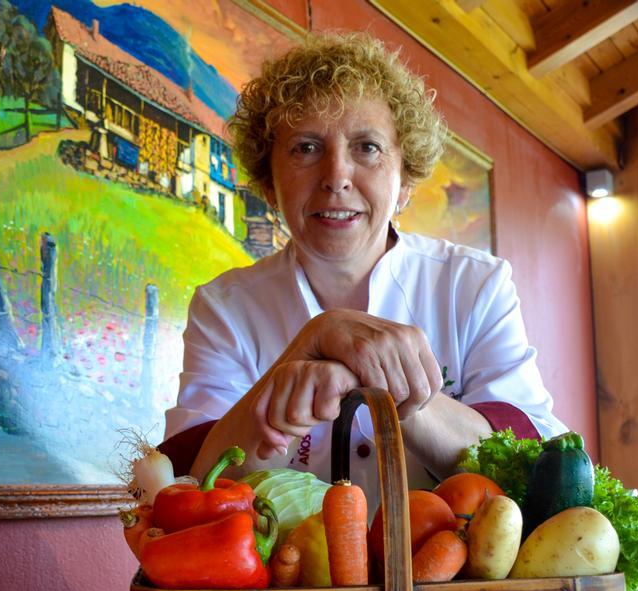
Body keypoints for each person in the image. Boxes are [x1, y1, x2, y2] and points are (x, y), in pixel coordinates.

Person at [160, 32, 564, 508]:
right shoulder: (224, 307)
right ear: (269, 184)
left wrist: (393, 389)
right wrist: (316, 338)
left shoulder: (474, 285)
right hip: (287, 579)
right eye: (306, 148)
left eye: (367, 147)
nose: (336, 176)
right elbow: (190, 482)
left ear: (406, 179)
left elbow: (533, 467)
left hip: (453, 580)